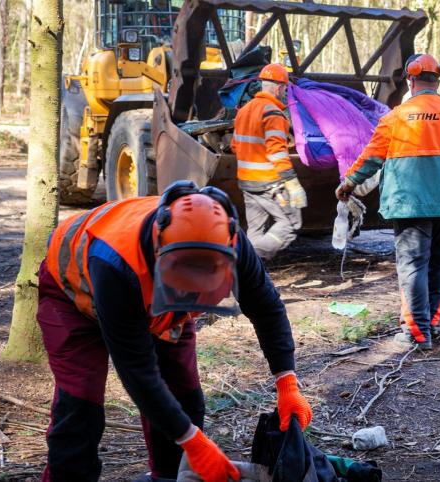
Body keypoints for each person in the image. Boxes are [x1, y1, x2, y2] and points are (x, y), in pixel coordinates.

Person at [37, 180, 312, 482]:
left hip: (153, 295)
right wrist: (191, 440)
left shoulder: (232, 242)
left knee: (182, 393)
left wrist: (287, 382)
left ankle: (169, 476)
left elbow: (266, 308)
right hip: (73, 295)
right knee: (81, 404)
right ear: (160, 250)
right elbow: (137, 370)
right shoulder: (115, 262)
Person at [335, 53, 440, 350]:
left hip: (409, 205)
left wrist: (349, 183)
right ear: (438, 80)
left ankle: (417, 332)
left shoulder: (396, 117)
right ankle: (430, 323)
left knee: (413, 266)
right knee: (438, 263)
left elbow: (371, 157)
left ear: (410, 80)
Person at [232, 63, 308, 260]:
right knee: (290, 224)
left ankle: (248, 271)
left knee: (255, 231)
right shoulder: (273, 113)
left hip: (247, 182)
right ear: (279, 87)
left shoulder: (243, 111)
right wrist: (292, 183)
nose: (285, 93)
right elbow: (277, 153)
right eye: (285, 89)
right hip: (269, 184)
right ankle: (247, 260)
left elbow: (234, 145)